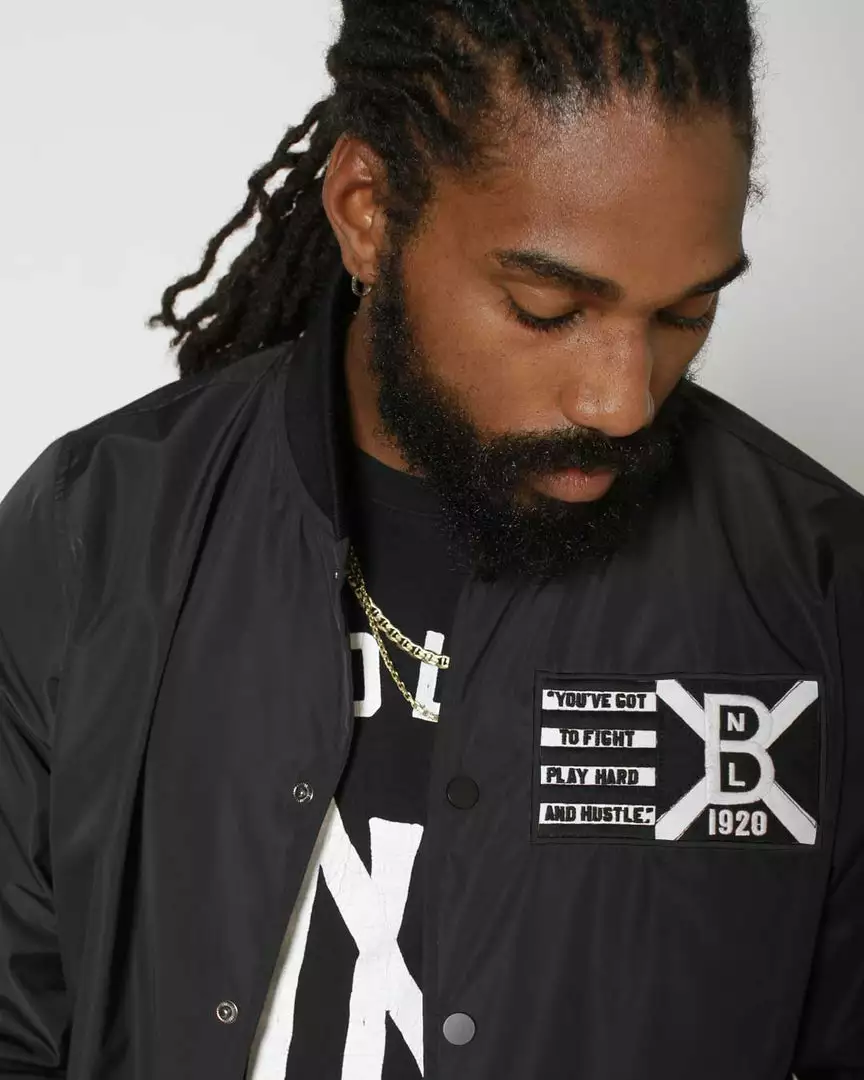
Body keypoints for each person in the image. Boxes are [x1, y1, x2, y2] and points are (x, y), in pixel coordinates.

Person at [1, 1, 862, 1078]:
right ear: (368, 211)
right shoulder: (98, 530)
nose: (623, 401)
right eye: (547, 306)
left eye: (687, 314)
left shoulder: (821, 591)